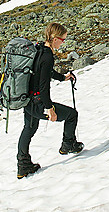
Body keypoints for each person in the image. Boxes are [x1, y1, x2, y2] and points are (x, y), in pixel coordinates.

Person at [17, 22, 83, 179]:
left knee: (29, 129)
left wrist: (62, 78)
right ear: (54, 39)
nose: (63, 42)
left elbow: (45, 72)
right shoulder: (47, 56)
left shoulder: (39, 50)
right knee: (71, 115)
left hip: (28, 101)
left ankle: (23, 166)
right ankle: (68, 145)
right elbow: (43, 86)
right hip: (39, 101)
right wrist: (50, 108)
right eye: (62, 39)